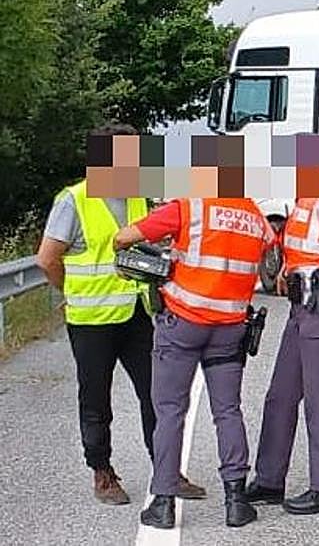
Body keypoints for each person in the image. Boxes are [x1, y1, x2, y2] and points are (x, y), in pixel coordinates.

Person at [34, 123, 205, 506]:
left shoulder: (136, 199)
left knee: (157, 395)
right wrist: (71, 291)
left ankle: (167, 471)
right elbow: (47, 259)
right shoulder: (73, 199)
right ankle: (103, 473)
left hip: (136, 315)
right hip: (91, 321)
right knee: (96, 400)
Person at [113, 196, 275, 529]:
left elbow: (124, 238)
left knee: (170, 412)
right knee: (228, 411)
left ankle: (163, 503)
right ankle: (236, 502)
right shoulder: (254, 215)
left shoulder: (189, 207)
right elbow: (271, 251)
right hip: (230, 326)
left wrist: (165, 251)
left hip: (183, 325)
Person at [244, 197, 319, 515]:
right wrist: (289, 266)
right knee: (280, 397)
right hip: (302, 310)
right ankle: (270, 481)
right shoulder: (304, 202)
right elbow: (306, 245)